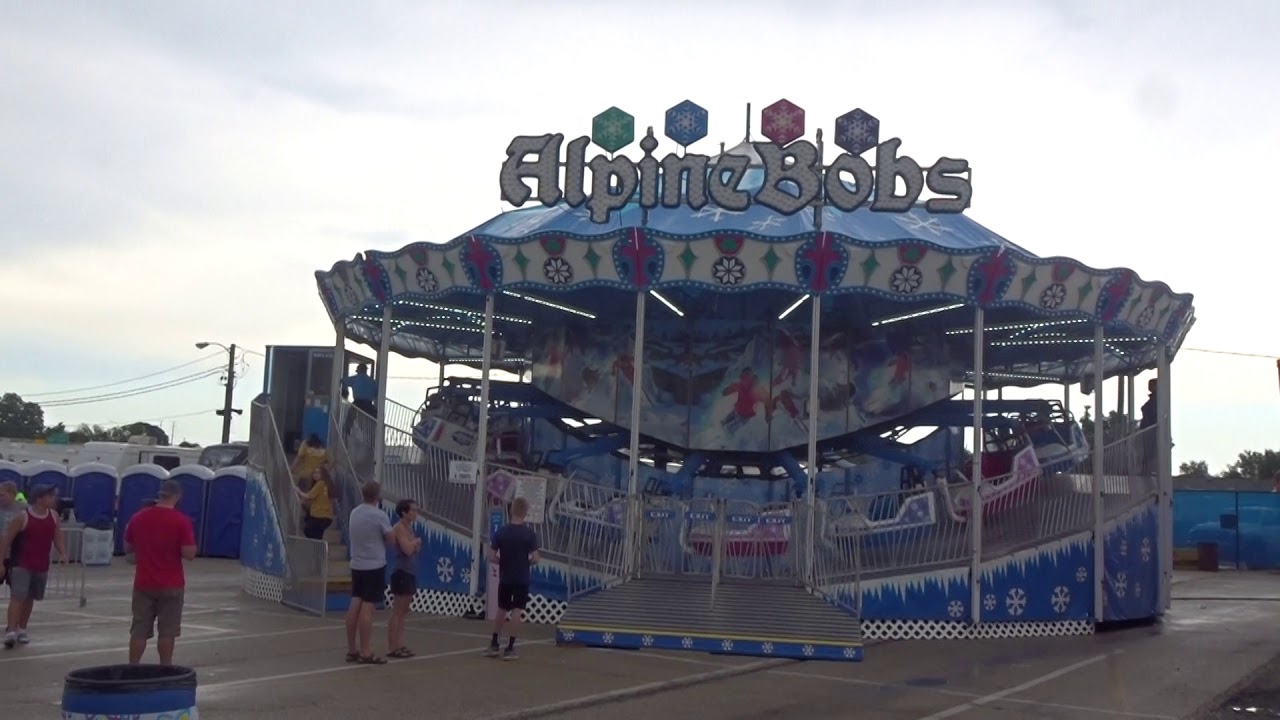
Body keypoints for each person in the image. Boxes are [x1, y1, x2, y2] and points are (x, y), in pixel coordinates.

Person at [123, 479, 197, 665]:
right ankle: (165, 668)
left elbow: (128, 548)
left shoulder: (138, 517)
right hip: (171, 583)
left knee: (139, 629)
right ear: (177, 496)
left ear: (160, 494)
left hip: (143, 582)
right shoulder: (181, 521)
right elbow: (189, 553)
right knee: (167, 631)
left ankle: (133, 667)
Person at [1, 485, 67, 649]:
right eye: (50, 496)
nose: (54, 500)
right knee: (18, 597)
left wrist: (63, 553)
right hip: (21, 563)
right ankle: (11, 630)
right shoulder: (23, 517)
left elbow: (57, 535)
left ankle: (22, 628)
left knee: (30, 597)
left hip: (41, 564)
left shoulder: (53, 516)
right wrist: (1, 561)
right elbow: (7, 539)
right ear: (39, 498)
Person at [345, 480, 394, 665]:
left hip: (357, 563)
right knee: (368, 607)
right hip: (373, 565)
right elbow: (390, 539)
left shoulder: (354, 513)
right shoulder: (379, 515)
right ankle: (365, 651)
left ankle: (352, 649)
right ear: (377, 496)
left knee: (355, 603)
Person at [486, 496, 540, 660]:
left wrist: (502, 562)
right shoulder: (529, 534)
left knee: (502, 608)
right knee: (517, 610)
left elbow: (491, 556)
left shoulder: (501, 532)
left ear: (511, 511)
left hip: (506, 576)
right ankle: (510, 647)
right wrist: (526, 563)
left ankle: (494, 643)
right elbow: (536, 558)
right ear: (525, 513)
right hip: (521, 577)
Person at [387, 498, 422, 659]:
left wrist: (414, 543)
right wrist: (414, 543)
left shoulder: (409, 528)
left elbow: (415, 549)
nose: (415, 513)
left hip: (409, 570)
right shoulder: (399, 528)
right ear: (404, 512)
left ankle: (399, 644)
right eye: (412, 510)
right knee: (398, 611)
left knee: (403, 611)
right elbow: (407, 549)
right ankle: (393, 646)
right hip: (401, 571)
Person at [297, 466, 337, 541]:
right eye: (314, 472)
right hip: (327, 517)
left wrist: (298, 491)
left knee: (308, 531)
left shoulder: (320, 483)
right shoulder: (327, 484)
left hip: (319, 516)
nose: (315, 474)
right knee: (317, 536)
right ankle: (319, 551)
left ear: (323, 474)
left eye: (318, 473)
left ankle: (320, 551)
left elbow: (309, 496)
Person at [0, 482, 27, 588]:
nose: (0, 498)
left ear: (12, 494)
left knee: (17, 589)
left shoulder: (24, 509)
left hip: (16, 556)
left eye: (2, 495)